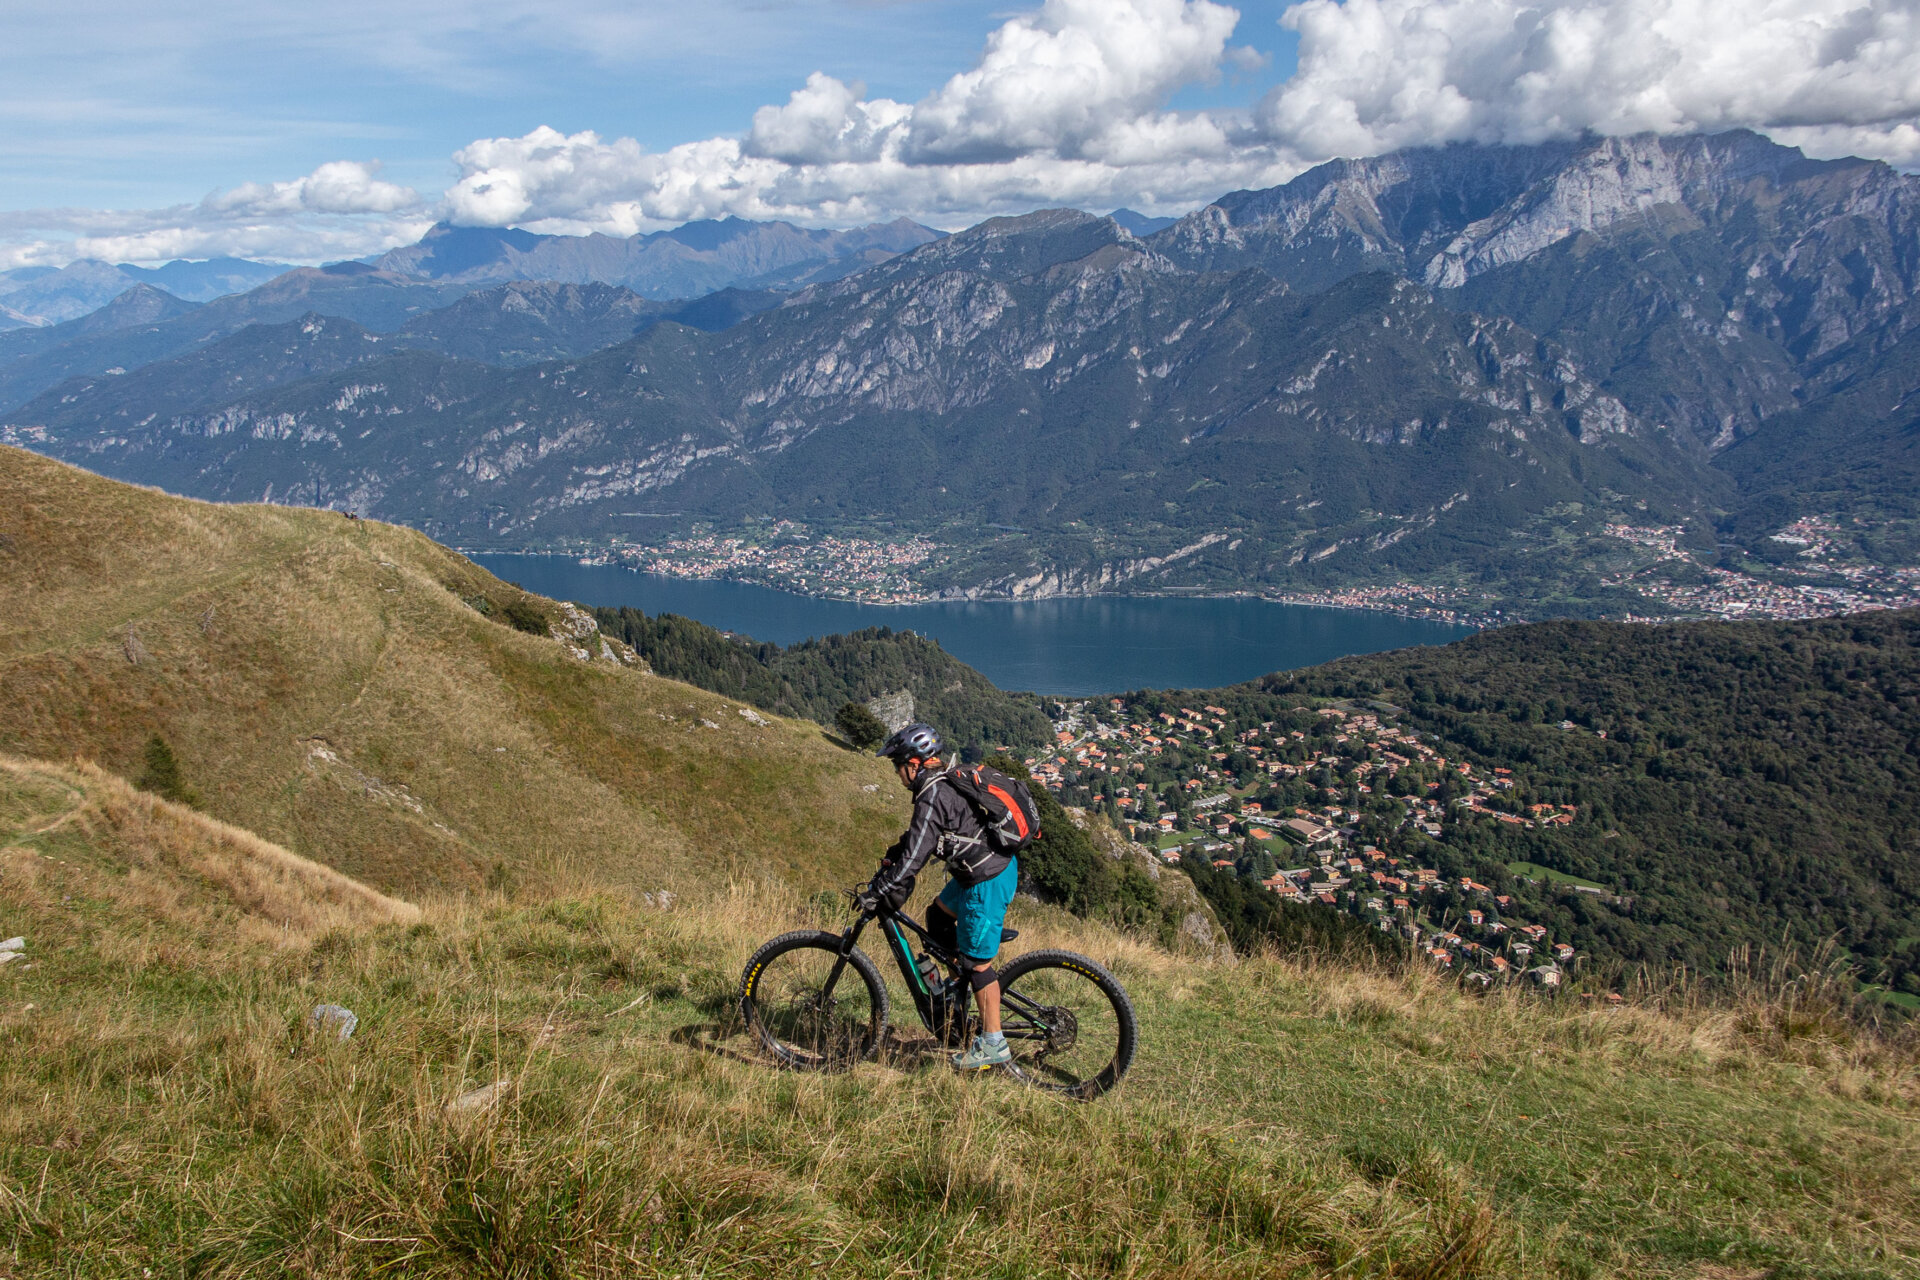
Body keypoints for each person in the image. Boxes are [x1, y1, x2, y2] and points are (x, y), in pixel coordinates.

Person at [864, 722, 1020, 1071]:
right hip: (976, 871)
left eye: (897, 765)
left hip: (986, 879)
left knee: (977, 963)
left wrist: (882, 888)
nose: (897, 773)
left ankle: (993, 1044)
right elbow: (926, 834)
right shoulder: (941, 780)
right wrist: (896, 849)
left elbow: (917, 856)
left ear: (915, 763)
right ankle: (957, 991)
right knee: (936, 917)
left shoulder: (930, 792)